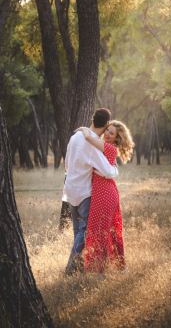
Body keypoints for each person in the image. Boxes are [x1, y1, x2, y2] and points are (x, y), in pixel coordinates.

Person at [63, 108, 118, 274]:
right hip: (83, 193)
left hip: (70, 190)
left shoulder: (75, 136)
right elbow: (108, 171)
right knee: (84, 232)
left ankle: (78, 268)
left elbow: (66, 165)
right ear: (106, 124)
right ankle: (70, 268)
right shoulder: (92, 144)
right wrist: (115, 169)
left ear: (93, 119)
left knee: (77, 232)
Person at [80, 120, 134, 272]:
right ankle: (110, 266)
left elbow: (89, 138)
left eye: (112, 133)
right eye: (107, 131)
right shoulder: (106, 148)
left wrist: (83, 129)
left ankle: (100, 268)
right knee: (103, 230)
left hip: (105, 193)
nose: (108, 134)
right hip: (103, 192)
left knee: (101, 230)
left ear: (117, 137)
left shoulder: (109, 148)